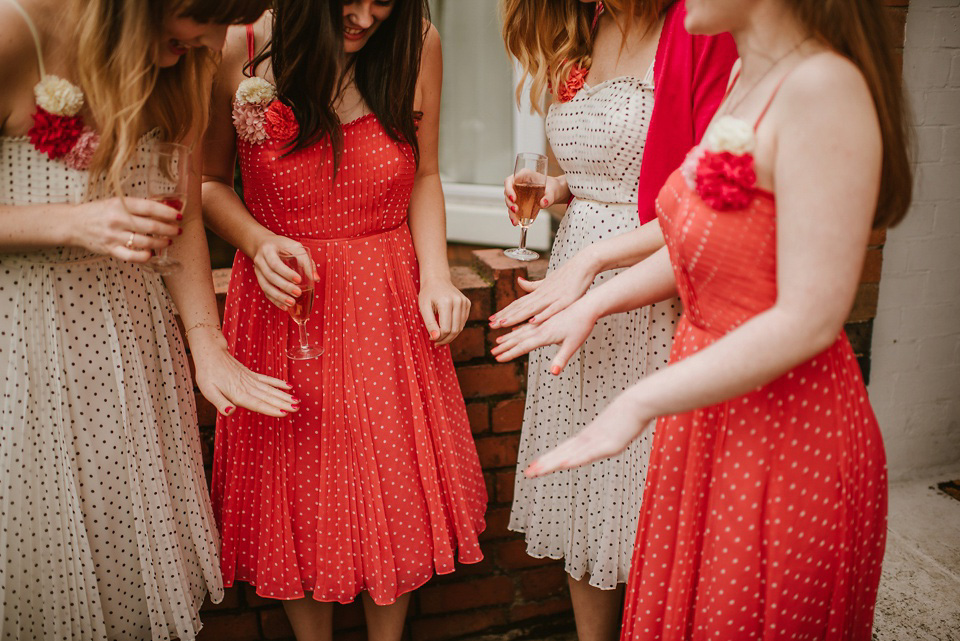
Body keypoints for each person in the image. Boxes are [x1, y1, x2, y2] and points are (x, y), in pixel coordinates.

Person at [492, 0, 910, 637]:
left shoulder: (824, 87)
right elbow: (696, 237)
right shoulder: (750, 80)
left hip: (780, 429)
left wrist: (638, 402)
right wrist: (594, 291)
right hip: (706, 410)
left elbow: (809, 320)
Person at [0, 0, 298, 638]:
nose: (216, 40)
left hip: (132, 351)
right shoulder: (15, 32)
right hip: (28, 352)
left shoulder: (192, 56)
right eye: (202, 17)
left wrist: (206, 344)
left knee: (119, 564)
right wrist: (70, 222)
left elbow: (182, 212)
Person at [201, 1, 487, 639]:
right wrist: (254, 240)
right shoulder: (239, 45)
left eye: (382, 0)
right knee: (297, 488)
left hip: (386, 301)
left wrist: (436, 275)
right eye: (346, 2)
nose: (364, 17)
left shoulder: (418, 42)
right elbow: (206, 182)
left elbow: (428, 172)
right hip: (285, 305)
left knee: (393, 483)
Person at [496, 1, 735, 638]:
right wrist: (557, 188)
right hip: (574, 261)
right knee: (587, 484)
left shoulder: (694, 25)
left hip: (655, 274)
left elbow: (695, 186)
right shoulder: (586, 26)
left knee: (646, 485)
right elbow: (613, 162)